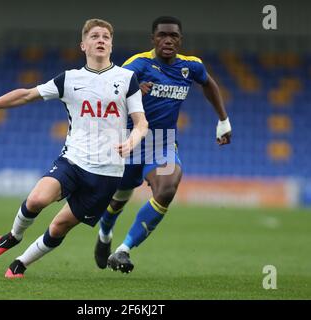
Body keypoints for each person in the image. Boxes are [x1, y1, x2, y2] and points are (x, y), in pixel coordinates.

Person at [0, 18, 148, 278]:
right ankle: (14, 235)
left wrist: (132, 141)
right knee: (37, 199)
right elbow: (26, 94)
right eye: (94, 36)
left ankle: (20, 264)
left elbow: (141, 123)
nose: (101, 40)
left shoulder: (127, 79)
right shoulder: (69, 79)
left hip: (108, 173)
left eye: (106, 36)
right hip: (73, 160)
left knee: (59, 227)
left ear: (112, 45)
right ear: (83, 45)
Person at [94, 16, 232, 273]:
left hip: (162, 143)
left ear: (180, 40)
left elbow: (209, 84)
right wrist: (132, 92)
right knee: (119, 199)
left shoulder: (191, 67)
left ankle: (123, 250)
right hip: (130, 140)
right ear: (153, 39)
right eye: (162, 35)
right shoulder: (137, 65)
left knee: (167, 188)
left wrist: (223, 120)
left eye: (174, 36)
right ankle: (105, 233)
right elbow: (106, 95)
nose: (168, 40)